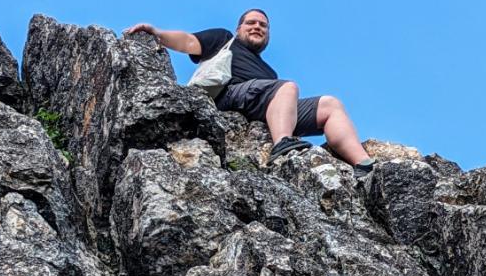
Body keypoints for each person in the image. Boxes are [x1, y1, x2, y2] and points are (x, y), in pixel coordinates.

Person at [125, 9, 374, 182]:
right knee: (287, 87)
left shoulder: (269, 72)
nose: (257, 27)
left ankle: (364, 165)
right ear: (239, 28)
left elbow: (276, 94)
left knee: (330, 104)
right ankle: (282, 144)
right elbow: (188, 41)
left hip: (265, 102)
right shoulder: (224, 39)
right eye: (251, 23)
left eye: (263, 26)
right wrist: (157, 33)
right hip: (229, 96)